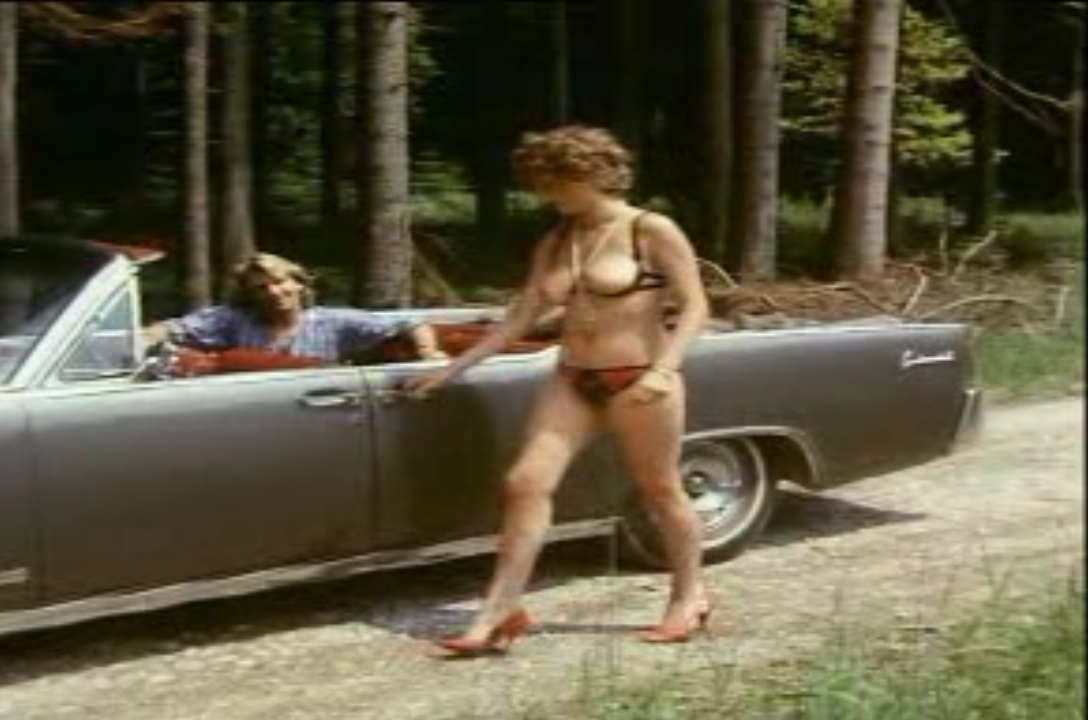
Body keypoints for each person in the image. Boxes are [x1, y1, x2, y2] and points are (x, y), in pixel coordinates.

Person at [401, 125, 713, 656]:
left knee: (659, 490)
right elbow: (521, 316)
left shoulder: (650, 229)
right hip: (572, 378)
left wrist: (664, 369)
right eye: (541, 184)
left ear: (590, 174)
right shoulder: (557, 240)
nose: (546, 194)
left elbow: (696, 305)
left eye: (554, 183)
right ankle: (499, 611)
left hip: (639, 376)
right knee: (525, 483)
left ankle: (689, 596)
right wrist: (453, 368)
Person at [146, 252, 447, 364]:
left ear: (299, 284)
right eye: (261, 288)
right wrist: (144, 339)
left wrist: (428, 352)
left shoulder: (333, 322)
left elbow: (411, 323)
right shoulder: (233, 321)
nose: (273, 292)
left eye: (279, 282)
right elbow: (171, 329)